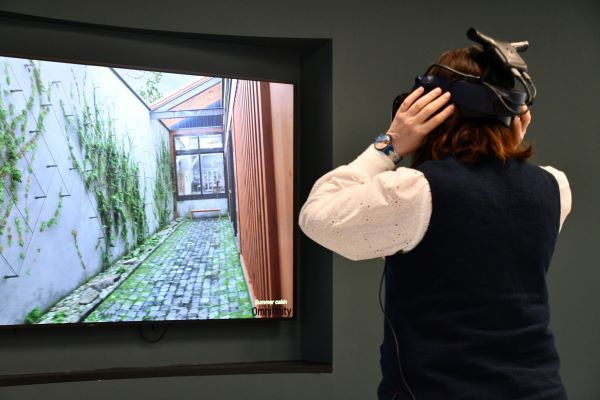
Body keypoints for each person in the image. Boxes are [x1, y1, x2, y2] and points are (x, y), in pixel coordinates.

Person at [298, 47, 572, 399]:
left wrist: (390, 144)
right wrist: (501, 143)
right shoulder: (555, 188)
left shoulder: (416, 193)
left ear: (432, 109)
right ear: (516, 114)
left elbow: (317, 216)